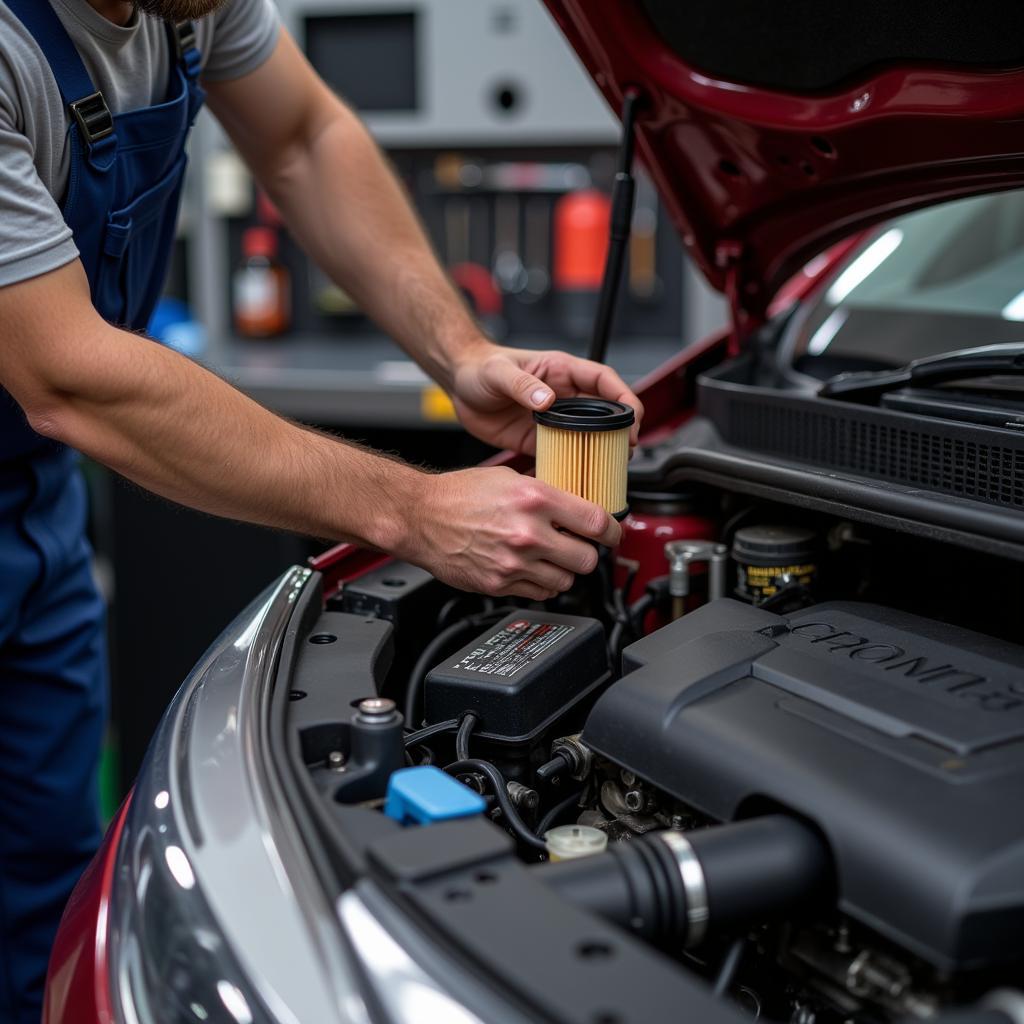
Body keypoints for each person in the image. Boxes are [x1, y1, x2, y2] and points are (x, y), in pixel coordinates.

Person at [0, 0, 643, 1017]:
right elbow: (67, 374)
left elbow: (303, 136)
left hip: (31, 518)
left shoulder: (188, 7)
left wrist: (460, 355)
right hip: (42, 439)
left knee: (41, 888)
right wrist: (414, 509)